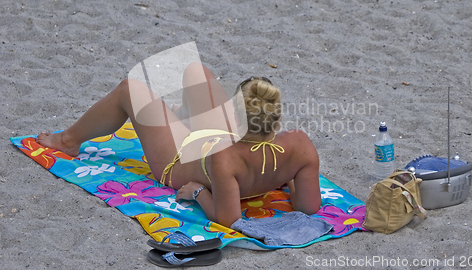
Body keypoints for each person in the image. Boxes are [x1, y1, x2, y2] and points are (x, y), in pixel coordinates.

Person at [37, 62, 321, 228]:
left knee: (129, 89)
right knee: (197, 71)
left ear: (235, 116)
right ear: (277, 116)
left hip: (178, 161)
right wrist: (287, 176)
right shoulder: (300, 144)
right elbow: (309, 207)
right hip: (226, 145)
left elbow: (228, 219)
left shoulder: (225, 158)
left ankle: (68, 140)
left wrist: (198, 192)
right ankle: (180, 118)